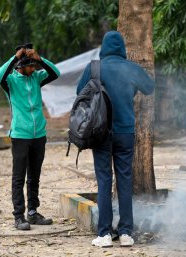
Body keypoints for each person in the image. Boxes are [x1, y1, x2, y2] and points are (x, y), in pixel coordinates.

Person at [77, 31, 155, 247]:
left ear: (103, 47)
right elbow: (149, 87)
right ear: (122, 48)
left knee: (103, 181)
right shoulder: (131, 68)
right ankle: (126, 233)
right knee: (125, 181)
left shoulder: (94, 68)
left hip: (100, 133)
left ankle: (104, 234)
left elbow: (79, 92)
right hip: (125, 133)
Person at [0, 43, 60, 230]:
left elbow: (56, 73)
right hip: (20, 135)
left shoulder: (37, 78)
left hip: (39, 134)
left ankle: (32, 213)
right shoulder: (11, 82)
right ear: (20, 67)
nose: (33, 68)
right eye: (30, 65)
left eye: (34, 65)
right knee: (18, 177)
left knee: (34, 176)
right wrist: (15, 57)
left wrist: (40, 59)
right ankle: (18, 216)